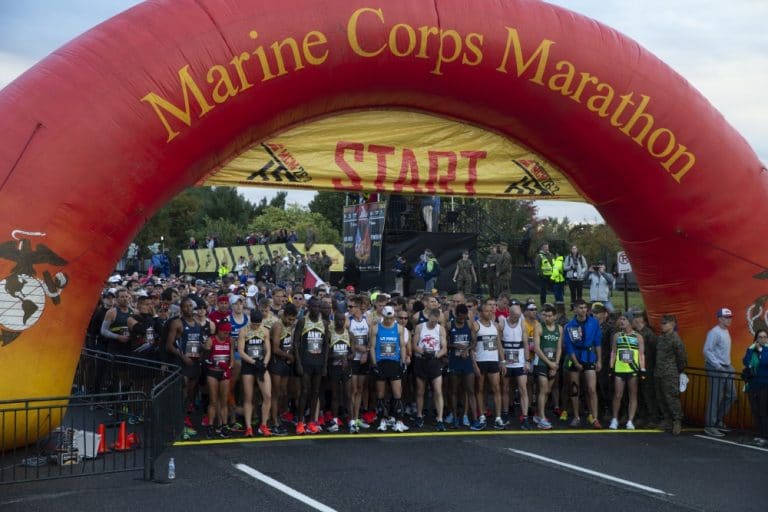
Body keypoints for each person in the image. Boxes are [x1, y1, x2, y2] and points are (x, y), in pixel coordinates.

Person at [165, 297, 203, 438]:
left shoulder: (197, 323)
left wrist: (202, 351)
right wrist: (183, 357)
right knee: (182, 392)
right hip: (182, 362)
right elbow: (169, 345)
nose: (189, 308)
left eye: (190, 306)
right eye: (186, 306)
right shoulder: (177, 323)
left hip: (194, 362)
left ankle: (184, 421)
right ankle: (178, 425)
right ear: (181, 309)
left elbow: (199, 342)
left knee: (190, 394)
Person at [563, 299, 603, 428]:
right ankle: (576, 417)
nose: (583, 310)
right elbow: (569, 346)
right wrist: (575, 362)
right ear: (575, 309)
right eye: (580, 308)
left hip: (589, 357)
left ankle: (595, 417)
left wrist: (599, 360)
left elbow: (597, 342)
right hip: (575, 357)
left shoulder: (594, 322)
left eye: (585, 307)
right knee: (575, 389)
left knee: (591, 388)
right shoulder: (569, 325)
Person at [369, 305, 409, 432]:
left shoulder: (399, 328)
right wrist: (374, 364)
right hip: (381, 363)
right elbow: (372, 347)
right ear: (383, 316)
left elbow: (402, 346)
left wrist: (403, 362)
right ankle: (382, 421)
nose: (389, 320)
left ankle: (399, 421)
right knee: (380, 395)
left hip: (394, 363)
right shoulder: (376, 328)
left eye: (391, 318)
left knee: (397, 394)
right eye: (387, 318)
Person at [293, 297, 330, 435]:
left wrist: (325, 365)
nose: (316, 309)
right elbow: (296, 342)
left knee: (315, 392)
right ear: (308, 307)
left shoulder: (324, 323)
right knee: (304, 391)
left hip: (318, 363)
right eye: (314, 306)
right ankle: (300, 422)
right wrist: (298, 363)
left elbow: (326, 345)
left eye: (318, 307)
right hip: (305, 362)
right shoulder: (303, 321)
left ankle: (312, 422)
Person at [471, 300, 506, 430]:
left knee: (496, 388)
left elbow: (499, 344)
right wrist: (474, 364)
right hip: (480, 361)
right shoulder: (475, 325)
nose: (490, 313)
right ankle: (482, 416)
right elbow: (472, 347)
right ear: (480, 313)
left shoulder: (495, 326)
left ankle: (498, 418)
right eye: (486, 311)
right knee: (479, 389)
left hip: (493, 361)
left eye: (491, 311)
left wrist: (502, 361)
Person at [238, 309, 273, 437]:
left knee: (268, 395)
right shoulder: (244, 331)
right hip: (249, 365)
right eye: (254, 324)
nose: (256, 327)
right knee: (248, 397)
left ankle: (263, 425)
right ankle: (248, 427)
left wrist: (265, 363)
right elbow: (241, 351)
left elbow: (268, 350)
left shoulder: (265, 331)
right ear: (250, 321)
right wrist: (253, 362)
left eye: (258, 324)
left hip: (261, 365)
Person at [608, 311, 645, 430]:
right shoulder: (617, 336)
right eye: (621, 319)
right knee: (617, 395)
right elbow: (613, 352)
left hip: (632, 369)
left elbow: (641, 354)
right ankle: (614, 419)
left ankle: (630, 421)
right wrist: (611, 367)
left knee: (632, 395)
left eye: (624, 319)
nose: (621, 321)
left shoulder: (638, 337)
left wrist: (642, 369)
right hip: (619, 369)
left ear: (630, 322)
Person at [412, 308, 448, 431]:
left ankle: (440, 419)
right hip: (421, 360)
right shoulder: (420, 327)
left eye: (435, 321)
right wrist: (423, 352)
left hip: (434, 361)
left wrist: (436, 355)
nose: (433, 323)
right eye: (432, 321)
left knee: (438, 391)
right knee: (420, 391)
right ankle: (419, 415)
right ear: (429, 317)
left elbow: (444, 348)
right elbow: (414, 345)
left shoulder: (440, 329)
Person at [703, 307, 736, 437]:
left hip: (725, 366)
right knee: (716, 397)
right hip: (715, 367)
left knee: (732, 395)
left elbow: (722, 352)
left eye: (730, 317)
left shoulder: (725, 331)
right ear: (720, 319)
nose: (729, 320)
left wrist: (729, 365)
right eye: (726, 317)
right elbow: (707, 350)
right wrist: (718, 366)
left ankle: (716, 420)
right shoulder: (714, 332)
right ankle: (710, 426)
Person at [500, 300, 532, 429]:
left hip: (519, 362)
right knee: (505, 388)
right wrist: (502, 361)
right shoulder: (503, 323)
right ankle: (505, 414)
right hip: (507, 362)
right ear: (510, 313)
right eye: (515, 316)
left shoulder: (522, 323)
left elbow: (525, 343)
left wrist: (527, 361)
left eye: (519, 316)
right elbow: (499, 343)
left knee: (523, 388)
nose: (517, 318)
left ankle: (525, 418)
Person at [655, 314, 688, 436]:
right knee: (661, 397)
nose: (662, 325)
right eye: (661, 323)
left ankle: (677, 421)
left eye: (665, 323)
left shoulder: (675, 339)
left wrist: (676, 370)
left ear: (672, 324)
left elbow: (682, 358)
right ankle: (667, 420)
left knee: (672, 398)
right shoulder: (661, 338)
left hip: (670, 373)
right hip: (659, 372)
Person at [268, 303, 298, 435]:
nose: (291, 322)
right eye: (290, 319)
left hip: (285, 362)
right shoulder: (278, 326)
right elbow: (275, 349)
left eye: (293, 320)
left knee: (283, 392)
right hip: (276, 362)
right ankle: (273, 421)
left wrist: (290, 354)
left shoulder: (289, 326)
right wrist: (289, 356)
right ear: (284, 316)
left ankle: (277, 416)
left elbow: (288, 343)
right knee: (275, 393)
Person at [446, 303, 476, 428]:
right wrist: (454, 345)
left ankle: (468, 416)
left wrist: (467, 349)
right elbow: (444, 343)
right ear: (456, 315)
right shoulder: (449, 325)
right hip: (454, 361)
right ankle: (454, 416)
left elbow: (474, 342)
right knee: (454, 390)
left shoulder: (469, 324)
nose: (462, 319)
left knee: (469, 390)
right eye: (460, 317)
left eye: (464, 317)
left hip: (466, 361)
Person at [532, 303, 562, 430]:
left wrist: (556, 364)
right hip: (541, 362)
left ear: (555, 316)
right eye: (545, 316)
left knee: (548, 390)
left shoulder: (559, 328)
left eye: (550, 316)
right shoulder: (539, 327)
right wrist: (550, 364)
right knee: (543, 389)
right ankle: (542, 418)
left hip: (553, 363)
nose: (547, 318)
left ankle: (538, 414)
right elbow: (537, 349)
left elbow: (559, 348)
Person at [203, 320, 234, 438]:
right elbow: (205, 359)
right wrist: (217, 363)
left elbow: (232, 358)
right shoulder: (211, 340)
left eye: (228, 333)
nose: (226, 335)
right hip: (213, 372)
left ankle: (224, 426)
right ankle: (210, 426)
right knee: (213, 401)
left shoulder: (230, 340)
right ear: (219, 331)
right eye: (225, 333)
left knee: (224, 401)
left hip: (224, 373)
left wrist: (229, 367)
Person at [327, 312, 353, 432]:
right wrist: (339, 357)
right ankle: (335, 421)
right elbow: (326, 354)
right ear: (334, 320)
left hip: (346, 368)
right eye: (338, 320)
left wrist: (346, 358)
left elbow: (353, 353)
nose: (340, 322)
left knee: (348, 395)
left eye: (343, 320)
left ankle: (351, 421)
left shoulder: (349, 334)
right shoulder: (330, 334)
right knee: (335, 395)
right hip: (334, 368)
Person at [348, 296, 370, 433]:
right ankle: (351, 419)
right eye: (348, 306)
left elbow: (371, 338)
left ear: (358, 307)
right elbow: (346, 339)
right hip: (353, 359)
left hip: (363, 358)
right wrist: (357, 348)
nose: (349, 309)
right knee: (353, 390)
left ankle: (356, 417)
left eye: (351, 306)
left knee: (360, 389)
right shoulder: (347, 320)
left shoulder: (367, 319)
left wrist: (366, 352)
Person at [742, 329, 768, 446]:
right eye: (760, 337)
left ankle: (765, 437)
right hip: (752, 384)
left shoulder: (766, 349)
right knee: (755, 410)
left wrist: (760, 351)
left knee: (763, 411)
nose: (762, 339)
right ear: (756, 338)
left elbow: (764, 362)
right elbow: (745, 361)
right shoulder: (751, 349)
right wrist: (752, 350)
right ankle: (759, 434)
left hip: (765, 384)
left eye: (765, 337)